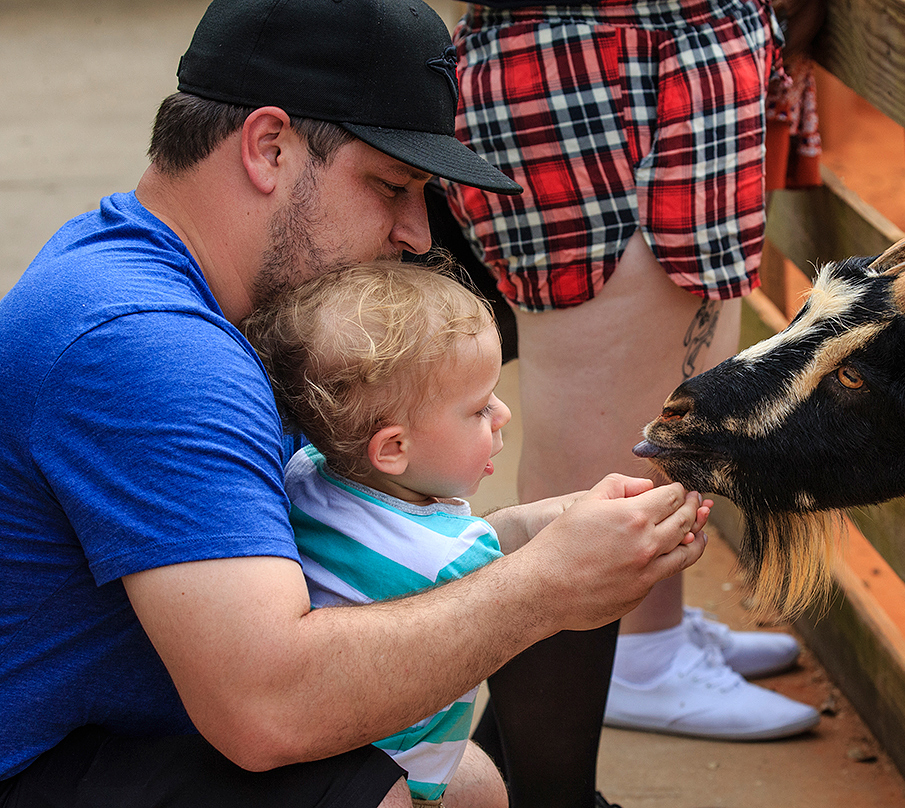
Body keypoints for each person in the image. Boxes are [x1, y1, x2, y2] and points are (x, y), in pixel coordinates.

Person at [0, 1, 710, 806]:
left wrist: (520, 543)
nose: (415, 232)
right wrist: (543, 586)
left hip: (127, 721)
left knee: (471, 784)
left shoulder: (147, 269)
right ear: (269, 147)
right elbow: (267, 707)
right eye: (391, 186)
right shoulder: (154, 348)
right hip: (38, 760)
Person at [443, 1, 821, 800]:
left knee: (680, 357)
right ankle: (630, 671)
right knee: (603, 404)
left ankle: (654, 633)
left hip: (670, 43)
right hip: (603, 51)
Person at [242, 260, 579, 807]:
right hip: (408, 774)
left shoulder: (302, 472)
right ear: (394, 449)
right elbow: (516, 597)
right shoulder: (461, 559)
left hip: (319, 756)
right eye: (478, 408)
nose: (503, 413)